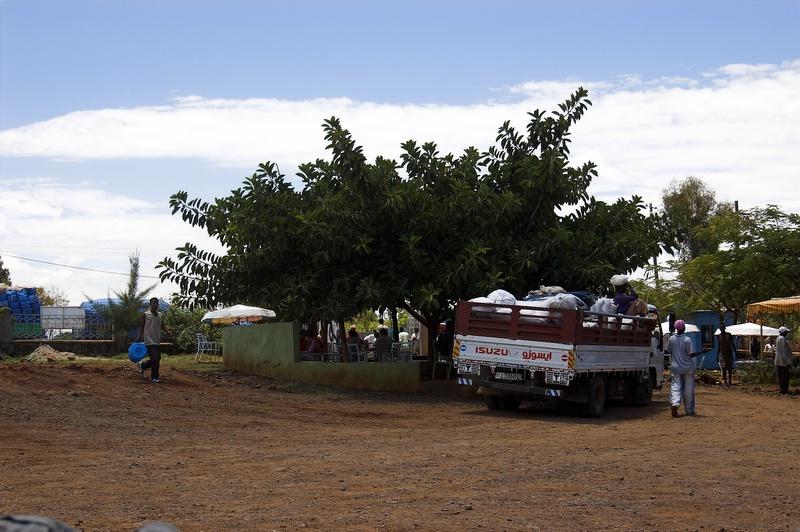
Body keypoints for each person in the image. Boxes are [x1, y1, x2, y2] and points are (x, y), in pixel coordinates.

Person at [667, 319, 710, 417]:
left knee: (675, 387)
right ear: (684, 328)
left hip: (676, 368)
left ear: (676, 329)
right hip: (688, 368)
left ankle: (675, 403)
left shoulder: (671, 339)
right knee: (688, 390)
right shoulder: (687, 340)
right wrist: (702, 352)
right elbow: (691, 354)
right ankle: (689, 410)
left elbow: (669, 350)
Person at [137, 297, 165, 383]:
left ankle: (143, 365)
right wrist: (139, 337)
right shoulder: (145, 315)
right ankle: (154, 377)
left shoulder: (160, 315)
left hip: (157, 340)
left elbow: (162, 326)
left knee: (157, 358)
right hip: (148, 340)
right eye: (154, 303)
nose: (155, 305)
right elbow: (141, 326)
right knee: (156, 357)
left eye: (157, 303)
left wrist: (168, 331)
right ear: (150, 304)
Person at [775, 326, 793, 395]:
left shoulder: (778, 338)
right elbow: (783, 351)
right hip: (783, 362)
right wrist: (787, 361)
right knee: (785, 376)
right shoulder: (782, 339)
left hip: (780, 361)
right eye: (786, 332)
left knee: (781, 376)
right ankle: (784, 390)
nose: (787, 333)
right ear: (783, 332)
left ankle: (782, 389)